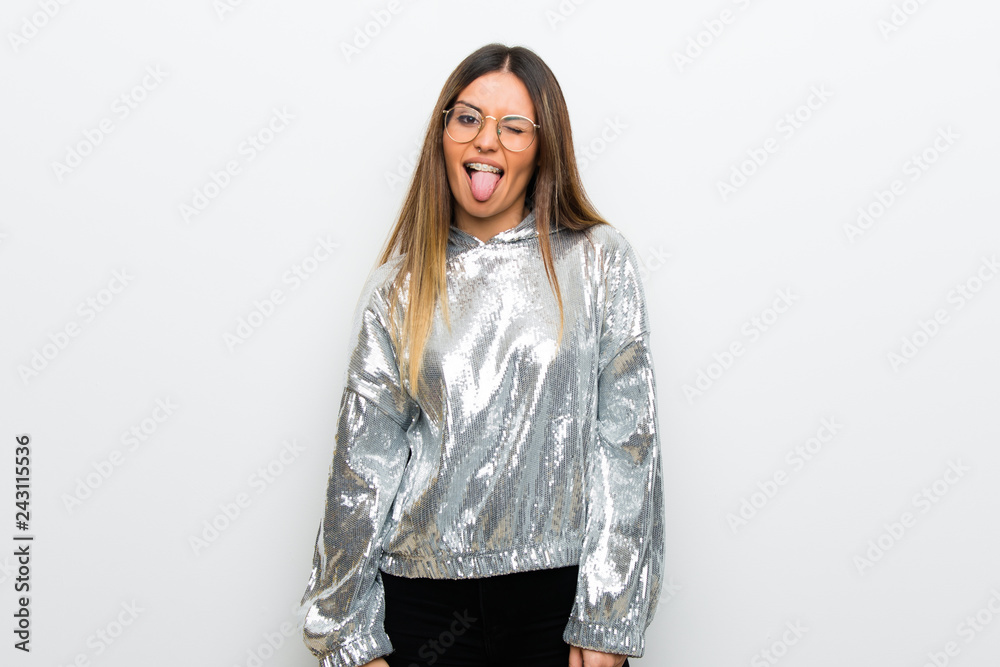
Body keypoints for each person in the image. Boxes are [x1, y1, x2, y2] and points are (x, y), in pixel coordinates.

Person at [297, 43, 665, 667]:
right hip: (421, 609)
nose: (486, 140)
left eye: (513, 127)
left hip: (558, 606)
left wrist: (609, 611)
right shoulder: (398, 289)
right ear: (443, 135)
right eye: (468, 118)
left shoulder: (598, 262)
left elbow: (627, 446)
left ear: (543, 147)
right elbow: (361, 472)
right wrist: (347, 640)